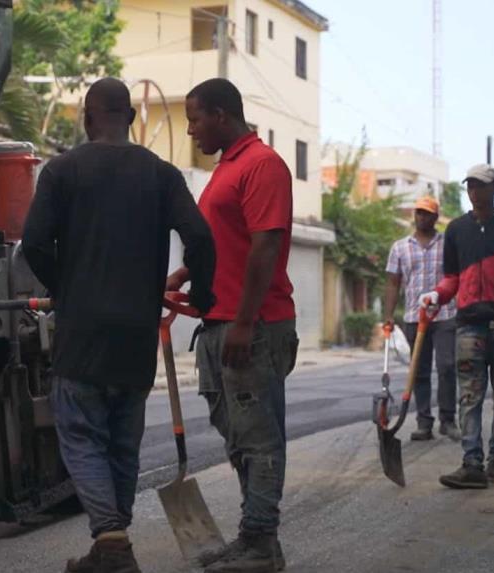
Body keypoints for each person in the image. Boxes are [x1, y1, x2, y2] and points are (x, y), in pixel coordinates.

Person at [21, 77, 216, 573]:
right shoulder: (162, 174)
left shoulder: (62, 171)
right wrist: (205, 293)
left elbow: (35, 243)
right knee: (122, 439)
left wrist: (65, 287)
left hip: (82, 331)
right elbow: (200, 237)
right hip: (136, 331)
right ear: (130, 119)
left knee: (83, 434)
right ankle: (111, 541)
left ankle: (110, 539)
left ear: (87, 119)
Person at [167, 78, 298, 573]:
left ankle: (260, 543)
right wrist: (183, 276)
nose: (191, 131)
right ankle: (257, 539)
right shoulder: (227, 167)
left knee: (260, 439)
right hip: (219, 320)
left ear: (221, 115)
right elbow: (223, 243)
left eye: (195, 120)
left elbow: (264, 247)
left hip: (255, 325)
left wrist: (244, 323)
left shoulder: (262, 164)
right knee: (238, 436)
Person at [418, 164, 494, 489]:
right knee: (470, 397)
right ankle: (471, 463)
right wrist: (437, 294)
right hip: (469, 328)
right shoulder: (457, 230)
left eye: (482, 185)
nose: (475, 191)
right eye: (471, 186)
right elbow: (453, 277)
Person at [383, 196, 461, 441]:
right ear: (414, 216)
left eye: (427, 213)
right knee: (419, 371)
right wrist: (388, 316)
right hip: (413, 317)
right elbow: (393, 284)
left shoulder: (447, 244)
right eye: (418, 212)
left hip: (445, 314)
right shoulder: (399, 247)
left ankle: (447, 420)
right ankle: (424, 422)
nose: (422, 217)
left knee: (447, 366)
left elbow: (456, 277)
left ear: (436, 218)